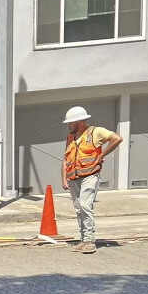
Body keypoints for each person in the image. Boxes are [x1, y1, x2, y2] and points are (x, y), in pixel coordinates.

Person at [61, 106, 123, 254]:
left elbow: (117, 138)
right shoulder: (70, 138)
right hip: (73, 178)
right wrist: (64, 178)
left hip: (90, 175)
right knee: (78, 209)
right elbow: (65, 159)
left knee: (85, 206)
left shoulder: (96, 132)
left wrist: (102, 155)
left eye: (71, 123)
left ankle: (89, 241)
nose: (69, 126)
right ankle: (83, 240)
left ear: (80, 122)